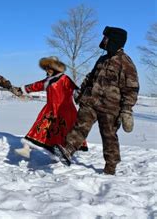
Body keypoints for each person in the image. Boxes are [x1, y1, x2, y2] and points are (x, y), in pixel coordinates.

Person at [54, 27, 139, 175]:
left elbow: (131, 89)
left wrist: (126, 110)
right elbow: (90, 77)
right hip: (91, 102)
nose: (104, 40)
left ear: (114, 40)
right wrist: (80, 92)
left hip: (111, 108)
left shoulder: (126, 63)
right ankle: (67, 151)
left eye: (106, 38)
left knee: (109, 137)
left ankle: (110, 167)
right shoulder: (102, 59)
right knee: (80, 126)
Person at [14, 56, 87, 159]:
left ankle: (63, 154)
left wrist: (85, 99)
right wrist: (22, 89)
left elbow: (76, 91)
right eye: (46, 68)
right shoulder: (48, 80)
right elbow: (36, 85)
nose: (47, 70)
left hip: (65, 110)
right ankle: (26, 149)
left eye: (49, 67)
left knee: (64, 133)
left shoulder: (64, 78)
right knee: (38, 128)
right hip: (50, 110)